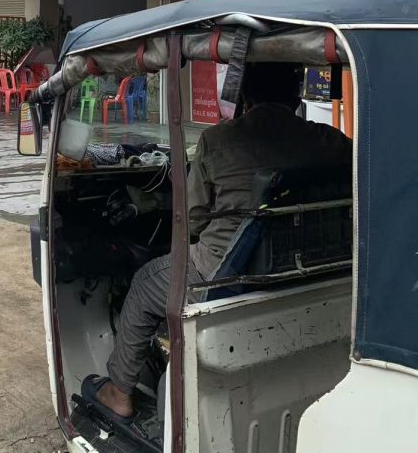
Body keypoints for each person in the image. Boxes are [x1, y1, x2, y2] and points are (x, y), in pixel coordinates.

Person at [84, 61, 352, 422]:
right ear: (295, 93)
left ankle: (119, 392)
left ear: (245, 94)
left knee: (146, 282)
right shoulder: (332, 142)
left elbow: (193, 219)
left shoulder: (218, 140)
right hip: (314, 266)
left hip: (230, 271)